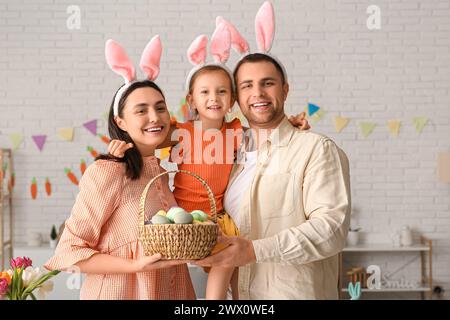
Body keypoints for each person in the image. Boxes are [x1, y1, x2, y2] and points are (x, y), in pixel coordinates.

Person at [108, 23, 310, 300]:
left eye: (222, 92)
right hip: (184, 216)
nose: (213, 98)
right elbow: (146, 139)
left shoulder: (237, 131)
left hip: (216, 218)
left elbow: (268, 132)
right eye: (204, 92)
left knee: (232, 266)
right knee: (193, 267)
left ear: (233, 100)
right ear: (192, 99)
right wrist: (121, 147)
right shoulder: (182, 132)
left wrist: (292, 122)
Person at [193, 2, 351, 300]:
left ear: (285, 90)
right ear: (236, 98)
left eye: (268, 83)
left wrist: (254, 251)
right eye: (247, 86)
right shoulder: (231, 155)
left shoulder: (315, 149)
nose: (258, 94)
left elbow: (331, 230)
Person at [44, 36, 196, 300]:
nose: (154, 117)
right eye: (141, 110)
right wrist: (135, 265)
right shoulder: (109, 171)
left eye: (160, 108)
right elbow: (69, 252)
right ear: (121, 122)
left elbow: (215, 132)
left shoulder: (160, 170)